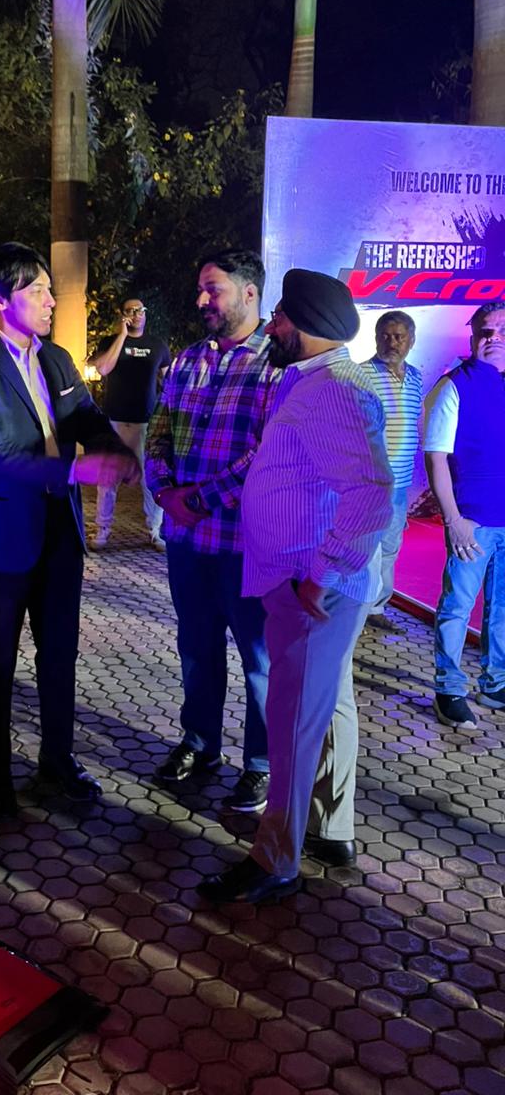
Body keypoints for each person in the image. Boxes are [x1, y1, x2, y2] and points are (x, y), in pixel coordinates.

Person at [199, 269, 392, 905]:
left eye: (280, 315)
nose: (272, 325)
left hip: (313, 588)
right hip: (308, 581)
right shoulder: (310, 380)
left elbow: (372, 493)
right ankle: (329, 831)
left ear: (305, 324)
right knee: (324, 709)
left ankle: (275, 859)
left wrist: (322, 574)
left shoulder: (334, 389)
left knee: (290, 723)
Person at [0, 243, 140, 816]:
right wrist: (77, 469)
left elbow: (86, 416)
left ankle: (57, 760)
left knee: (59, 653)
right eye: (37, 290)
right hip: (7, 534)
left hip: (61, 528)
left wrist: (115, 451)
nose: (51, 300)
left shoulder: (56, 359)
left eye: (49, 290)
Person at [145, 249, 281, 815]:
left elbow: (267, 452)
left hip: (246, 546)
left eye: (213, 289)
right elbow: (158, 431)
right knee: (196, 649)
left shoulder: (276, 365)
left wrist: (198, 499)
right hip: (188, 543)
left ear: (249, 292)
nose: (202, 299)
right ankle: (199, 743)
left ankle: (261, 764)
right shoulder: (186, 361)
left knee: (259, 661)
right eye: (201, 288)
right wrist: (163, 491)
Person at [423, 301, 505, 728]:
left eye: (502, 330)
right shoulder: (453, 386)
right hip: (471, 522)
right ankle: (449, 688)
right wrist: (453, 521)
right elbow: (436, 457)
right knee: (457, 607)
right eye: (485, 331)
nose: (494, 338)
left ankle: (495, 683)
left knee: (502, 608)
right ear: (473, 337)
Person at [88, 296, 170, 550]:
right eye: (131, 310)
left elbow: (168, 382)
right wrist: (121, 336)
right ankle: (102, 530)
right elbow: (102, 369)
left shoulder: (157, 345)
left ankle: (155, 531)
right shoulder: (110, 342)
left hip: (146, 424)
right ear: (122, 314)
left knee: (150, 479)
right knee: (108, 479)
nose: (137, 314)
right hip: (114, 422)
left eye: (141, 310)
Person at [362, 311, 424, 633]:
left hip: (400, 486)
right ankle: (354, 612)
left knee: (389, 549)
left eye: (399, 336)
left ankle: (376, 608)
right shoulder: (361, 375)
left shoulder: (416, 378)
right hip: (370, 484)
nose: (392, 342)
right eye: (385, 336)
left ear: (411, 341)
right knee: (365, 551)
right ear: (376, 338)